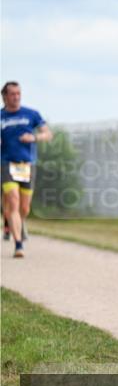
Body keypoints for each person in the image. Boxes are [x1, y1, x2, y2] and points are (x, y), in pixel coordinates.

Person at [1, 81, 51, 258]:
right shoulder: (1, 116)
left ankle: (19, 223)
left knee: (24, 207)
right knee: (13, 201)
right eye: (12, 94)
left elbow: (47, 133)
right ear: (5, 96)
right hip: (7, 163)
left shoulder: (31, 114)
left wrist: (34, 137)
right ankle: (18, 244)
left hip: (27, 165)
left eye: (18, 93)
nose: (16, 97)